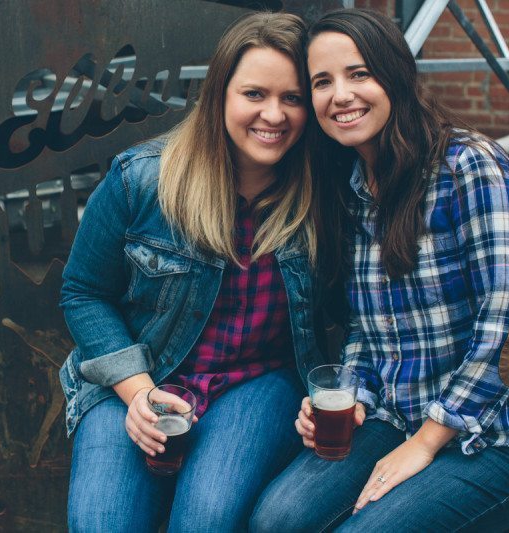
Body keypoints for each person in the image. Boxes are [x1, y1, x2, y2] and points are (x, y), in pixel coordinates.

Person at [251, 8, 509, 532]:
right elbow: (367, 332)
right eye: (322, 82)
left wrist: (425, 442)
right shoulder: (349, 188)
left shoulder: (470, 167)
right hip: (397, 417)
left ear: (394, 74)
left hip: (501, 436)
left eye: (358, 74)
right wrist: (351, 398)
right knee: (275, 521)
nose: (340, 95)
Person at [59, 12, 326, 532]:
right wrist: (136, 393)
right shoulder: (141, 180)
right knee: (100, 523)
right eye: (254, 94)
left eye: (292, 97)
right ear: (220, 95)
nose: (274, 114)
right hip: (142, 372)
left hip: (255, 381)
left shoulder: (323, 196)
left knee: (206, 518)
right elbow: (84, 292)